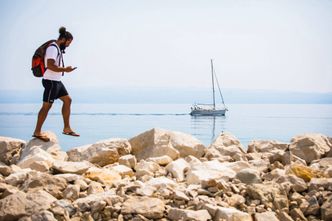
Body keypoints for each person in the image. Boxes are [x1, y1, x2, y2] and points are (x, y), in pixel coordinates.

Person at [33, 27, 79, 142]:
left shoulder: (57, 48)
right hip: (50, 82)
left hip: (57, 81)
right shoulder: (53, 48)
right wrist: (65, 69)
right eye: (68, 43)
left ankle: (67, 128)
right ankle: (37, 132)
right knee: (46, 107)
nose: (68, 45)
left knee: (68, 100)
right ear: (63, 39)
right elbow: (50, 65)